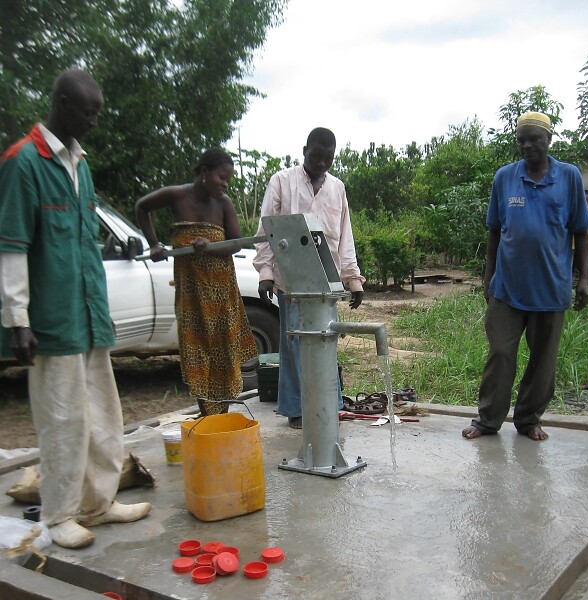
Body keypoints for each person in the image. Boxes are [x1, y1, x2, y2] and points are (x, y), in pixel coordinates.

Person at [0, 69, 151, 549]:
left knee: (103, 416)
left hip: (89, 315)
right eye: (88, 112)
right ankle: (60, 515)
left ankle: (98, 504)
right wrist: (18, 321)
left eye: (97, 113)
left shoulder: (80, 165)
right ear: (62, 103)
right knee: (62, 421)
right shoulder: (23, 162)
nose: (93, 121)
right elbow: (12, 247)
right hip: (52, 320)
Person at [462, 111, 588, 442]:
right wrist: (488, 279)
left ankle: (529, 419)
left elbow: (580, 231)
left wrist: (583, 280)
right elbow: (494, 232)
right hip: (507, 288)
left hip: (551, 288)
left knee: (543, 361)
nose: (527, 146)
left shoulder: (569, 177)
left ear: (549, 140)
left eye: (534, 139)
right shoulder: (505, 177)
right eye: (521, 140)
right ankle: (488, 420)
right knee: (501, 354)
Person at [253, 127, 365, 429]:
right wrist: (265, 273)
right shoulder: (281, 182)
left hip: (326, 280)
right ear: (305, 151)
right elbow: (266, 231)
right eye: (317, 157)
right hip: (291, 278)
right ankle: (297, 409)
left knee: (325, 341)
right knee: (294, 344)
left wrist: (353, 279)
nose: (322, 163)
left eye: (328, 158)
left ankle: (328, 404)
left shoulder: (337, 188)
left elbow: (344, 236)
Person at [135, 148, 257, 416]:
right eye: (221, 177)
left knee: (223, 352)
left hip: (221, 291)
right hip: (191, 294)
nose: (225, 185)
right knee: (197, 351)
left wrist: (211, 245)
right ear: (204, 172)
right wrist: (154, 244)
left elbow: (236, 243)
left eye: (228, 180)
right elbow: (142, 207)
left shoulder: (224, 204)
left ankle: (221, 415)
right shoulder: (176, 195)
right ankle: (207, 413)